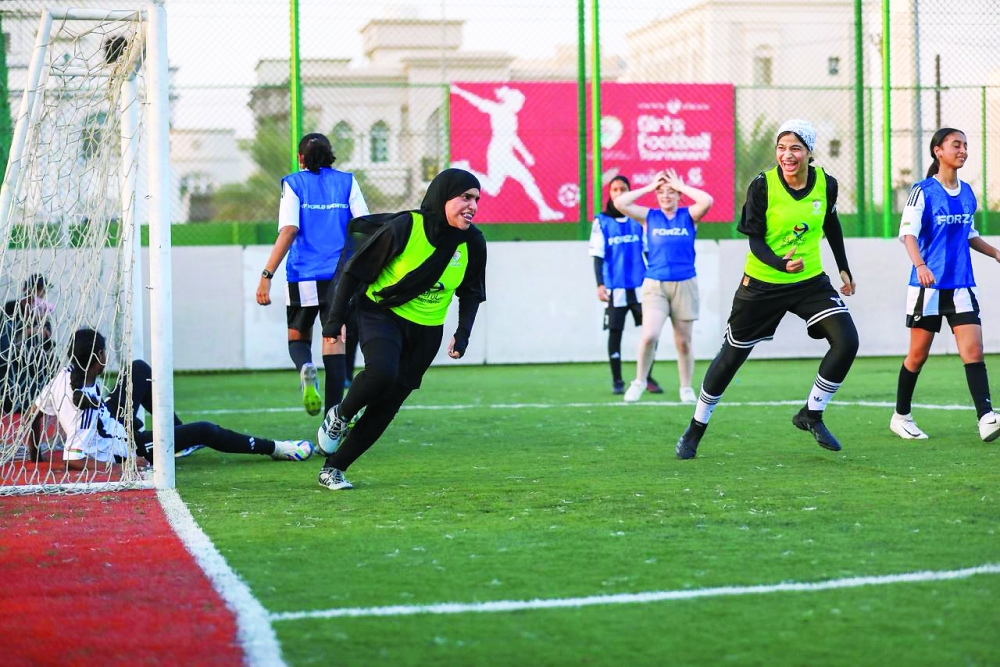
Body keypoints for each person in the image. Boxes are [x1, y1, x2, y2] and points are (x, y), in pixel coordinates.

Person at [675, 119, 859, 459]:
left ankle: (811, 413)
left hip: (809, 281)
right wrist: (779, 264)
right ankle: (695, 428)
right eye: (781, 148)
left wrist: (843, 267)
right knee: (731, 358)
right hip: (762, 283)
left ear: (808, 152)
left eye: (795, 148)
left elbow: (830, 222)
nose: (786, 155)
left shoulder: (826, 184)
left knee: (847, 341)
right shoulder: (762, 186)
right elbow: (756, 241)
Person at [314, 168, 487, 491]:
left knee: (388, 404)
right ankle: (340, 414)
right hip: (381, 313)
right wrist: (334, 320)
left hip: (427, 330)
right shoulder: (407, 226)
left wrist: (462, 333)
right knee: (381, 373)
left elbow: (472, 292)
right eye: (465, 197)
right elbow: (355, 272)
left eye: (477, 199)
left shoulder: (473, 242)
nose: (473, 206)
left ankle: (334, 468)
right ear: (443, 196)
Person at [27, 328, 313, 471]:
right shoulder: (84, 409)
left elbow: (32, 414)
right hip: (126, 445)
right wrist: (126, 464)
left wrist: (34, 450)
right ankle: (277, 449)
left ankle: (176, 440)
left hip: (110, 421)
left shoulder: (64, 376)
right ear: (97, 358)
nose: (107, 356)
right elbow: (74, 458)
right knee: (205, 430)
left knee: (138, 369)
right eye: (104, 353)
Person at [890, 127, 1000, 442]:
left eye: (965, 145)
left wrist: (994, 252)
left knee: (974, 350)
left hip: (962, 284)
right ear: (938, 151)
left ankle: (986, 418)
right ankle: (901, 416)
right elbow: (908, 235)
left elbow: (968, 233)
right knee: (917, 355)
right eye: (956, 144)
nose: (963, 150)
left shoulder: (967, 192)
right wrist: (921, 265)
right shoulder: (923, 190)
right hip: (928, 287)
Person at [256, 133, 369, 417]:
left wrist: (267, 274)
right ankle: (333, 417)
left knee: (298, 336)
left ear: (300, 158)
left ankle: (305, 367)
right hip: (341, 277)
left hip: (303, 275)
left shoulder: (293, 183)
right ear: (331, 155)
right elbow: (364, 225)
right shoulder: (347, 182)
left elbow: (289, 229)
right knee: (334, 341)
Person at [614, 168, 714, 404]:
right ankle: (639, 381)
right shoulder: (649, 217)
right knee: (649, 336)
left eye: (671, 193)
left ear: (679, 196)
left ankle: (686, 388)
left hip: (685, 283)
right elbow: (620, 202)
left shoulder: (689, 215)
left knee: (683, 341)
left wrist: (680, 186)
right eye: (661, 192)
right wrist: (649, 187)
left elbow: (706, 200)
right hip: (655, 284)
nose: (666, 196)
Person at [588, 175, 663, 395]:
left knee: (650, 333)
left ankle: (646, 376)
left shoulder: (639, 220)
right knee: (615, 332)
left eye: (623, 189)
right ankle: (617, 380)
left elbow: (649, 252)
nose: (619, 193)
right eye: (615, 189)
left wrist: (656, 278)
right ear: (609, 194)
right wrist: (600, 284)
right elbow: (597, 256)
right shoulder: (601, 221)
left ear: (630, 191)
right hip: (615, 288)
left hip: (641, 287)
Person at [450, 84, 564, 221]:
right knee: (523, 181)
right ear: (511, 101)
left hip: (506, 153)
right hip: (498, 153)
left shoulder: (512, 117)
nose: (520, 106)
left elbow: (513, 137)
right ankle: (544, 210)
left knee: (498, 186)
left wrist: (525, 154)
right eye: (518, 102)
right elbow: (477, 100)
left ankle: (544, 210)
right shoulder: (497, 110)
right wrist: (459, 91)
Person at [1, 274, 55, 415]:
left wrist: (40, 319)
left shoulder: (43, 314)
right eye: (37, 289)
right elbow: (8, 336)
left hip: (34, 361)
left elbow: (47, 339)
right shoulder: (12, 307)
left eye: (42, 291)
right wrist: (31, 330)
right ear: (26, 289)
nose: (40, 294)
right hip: (12, 361)